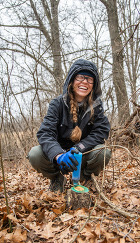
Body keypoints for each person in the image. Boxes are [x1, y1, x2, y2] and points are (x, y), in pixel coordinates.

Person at [27, 59, 111, 192]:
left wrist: (79, 148)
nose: (85, 82)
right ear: (72, 81)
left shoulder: (97, 107)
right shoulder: (57, 104)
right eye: (80, 77)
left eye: (89, 79)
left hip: (82, 155)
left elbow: (100, 133)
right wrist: (59, 155)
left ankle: (85, 178)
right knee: (35, 153)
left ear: (94, 85)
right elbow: (45, 133)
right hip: (59, 158)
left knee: (103, 152)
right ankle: (57, 179)